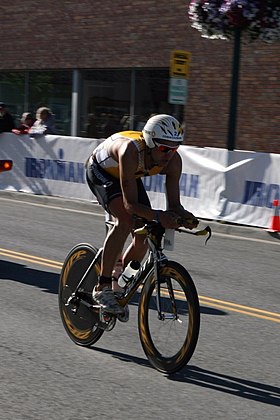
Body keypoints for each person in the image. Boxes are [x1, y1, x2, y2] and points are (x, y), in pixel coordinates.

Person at [85, 114, 199, 315]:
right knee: (127, 220)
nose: (169, 154)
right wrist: (159, 216)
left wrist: (185, 217)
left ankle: (119, 282)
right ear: (149, 142)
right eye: (164, 148)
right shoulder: (130, 151)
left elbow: (174, 205)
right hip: (101, 170)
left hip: (128, 174)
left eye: (175, 148)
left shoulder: (173, 161)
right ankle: (102, 287)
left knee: (144, 233)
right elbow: (130, 205)